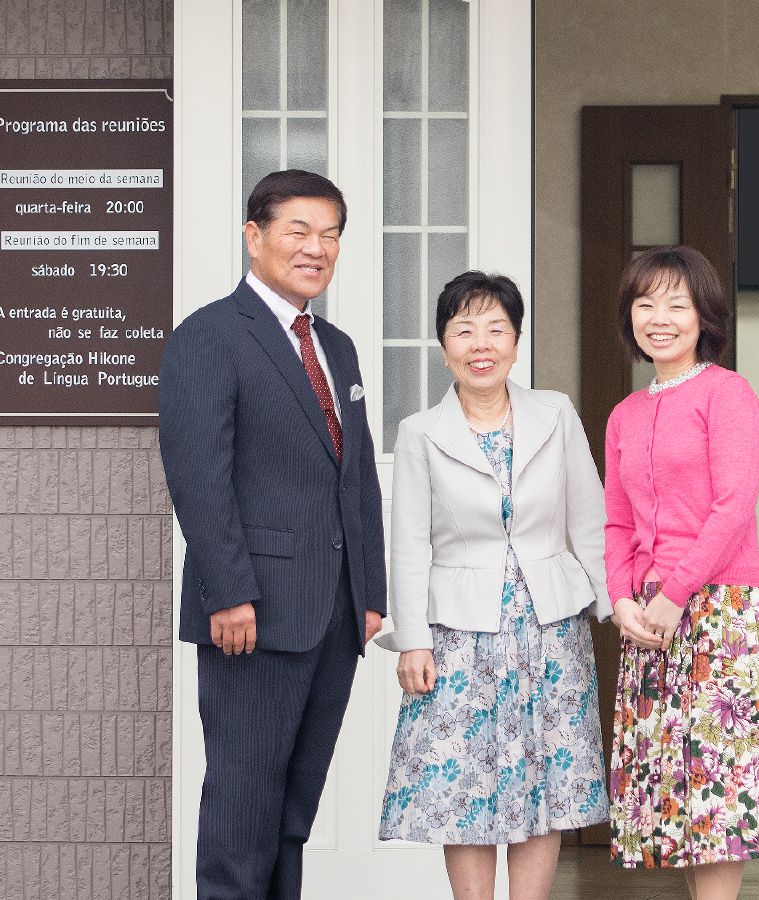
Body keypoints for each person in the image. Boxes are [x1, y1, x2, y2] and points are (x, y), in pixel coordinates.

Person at [158, 169, 386, 899]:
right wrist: (228, 592)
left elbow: (356, 479)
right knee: (241, 807)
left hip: (333, 614)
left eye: (330, 235)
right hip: (251, 615)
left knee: (291, 811)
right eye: (299, 230)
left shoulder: (337, 348)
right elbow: (199, 476)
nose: (316, 248)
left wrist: (370, 591)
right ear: (254, 236)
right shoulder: (209, 336)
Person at [376, 271, 612, 899]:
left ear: (515, 339)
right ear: (443, 343)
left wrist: (614, 607)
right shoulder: (421, 432)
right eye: (463, 330)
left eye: (495, 329)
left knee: (547, 778)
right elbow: (408, 544)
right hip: (458, 635)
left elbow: (590, 520)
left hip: (550, 629)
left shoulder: (555, 412)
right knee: (465, 785)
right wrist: (413, 641)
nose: (481, 344)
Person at [604, 246, 759, 899]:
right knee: (677, 788)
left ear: (704, 317)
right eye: (644, 303)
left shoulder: (729, 394)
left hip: (721, 615)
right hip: (650, 623)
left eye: (675, 303)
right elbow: (616, 522)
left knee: (719, 789)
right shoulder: (624, 414)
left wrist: (674, 592)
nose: (658, 317)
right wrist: (621, 597)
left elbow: (732, 508)